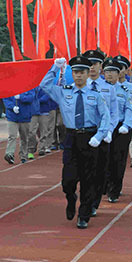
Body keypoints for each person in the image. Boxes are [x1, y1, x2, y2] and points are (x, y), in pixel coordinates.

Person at [40, 55, 109, 229]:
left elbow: (105, 117)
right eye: (76, 72)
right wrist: (55, 68)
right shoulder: (64, 91)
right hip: (71, 138)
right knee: (68, 179)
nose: (78, 75)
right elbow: (44, 85)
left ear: (87, 74)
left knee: (88, 179)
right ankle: (71, 198)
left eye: (82, 72)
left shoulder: (95, 95)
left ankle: (83, 215)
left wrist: (99, 137)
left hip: (90, 138)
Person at [82, 50, 119, 217]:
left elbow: (113, 112)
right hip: (85, 134)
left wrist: (109, 131)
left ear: (101, 67)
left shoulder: (108, 88)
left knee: (99, 171)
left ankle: (93, 202)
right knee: (84, 171)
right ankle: (86, 201)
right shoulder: (80, 87)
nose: (92, 67)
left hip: (103, 135)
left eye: (95, 64)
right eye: (89, 64)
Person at [104, 58, 132, 203]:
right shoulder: (98, 89)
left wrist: (126, 125)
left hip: (120, 129)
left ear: (118, 74)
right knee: (103, 159)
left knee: (118, 160)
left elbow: (130, 110)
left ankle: (114, 190)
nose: (109, 74)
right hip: (103, 128)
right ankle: (103, 185)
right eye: (107, 71)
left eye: (112, 72)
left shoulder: (124, 91)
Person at [3, 88, 36, 164]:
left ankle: (23, 155)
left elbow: (31, 98)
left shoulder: (29, 86)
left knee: (24, 137)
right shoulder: (9, 86)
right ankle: (9, 154)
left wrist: (21, 97)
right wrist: (12, 107)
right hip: (12, 116)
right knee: (12, 136)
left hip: (24, 116)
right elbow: (5, 99)